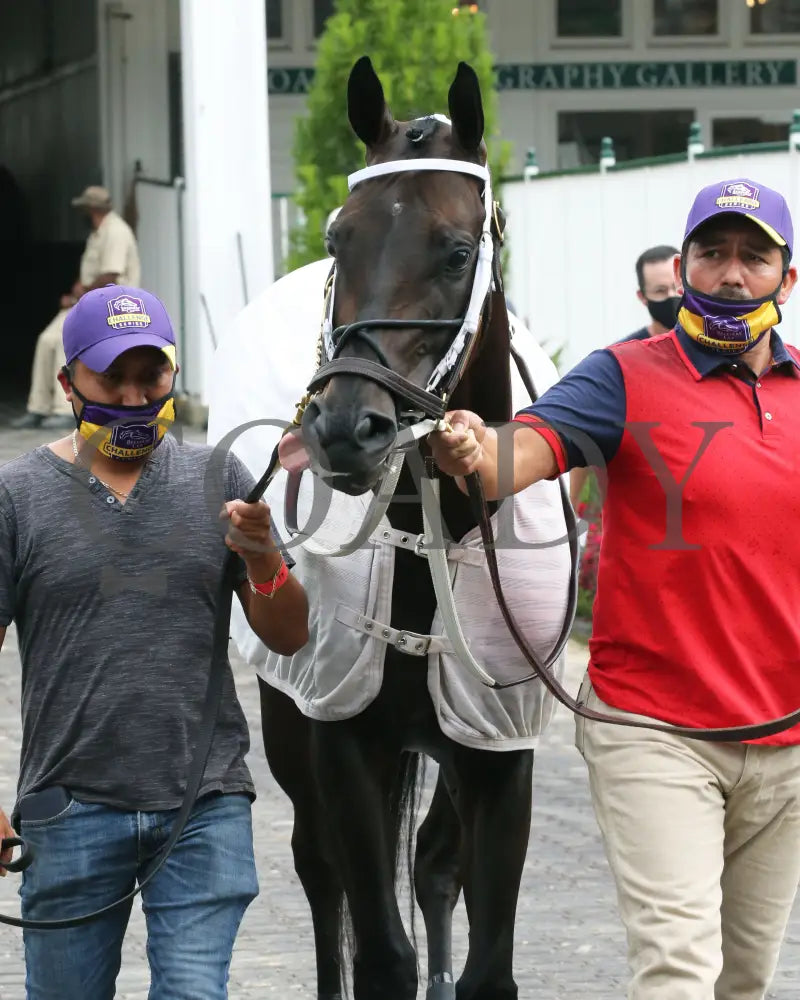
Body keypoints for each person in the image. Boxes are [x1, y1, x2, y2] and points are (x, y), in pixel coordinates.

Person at [430, 177, 800, 999]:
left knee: (746, 978)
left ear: (787, 276)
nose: (732, 274)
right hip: (653, 729)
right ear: (683, 265)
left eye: (753, 256)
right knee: (679, 970)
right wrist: (471, 448)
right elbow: (513, 455)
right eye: (713, 254)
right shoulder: (624, 376)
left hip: (787, 736)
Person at [0, 285, 309, 999]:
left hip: (203, 804)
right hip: (68, 808)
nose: (136, 397)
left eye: (153, 376)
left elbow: (290, 635)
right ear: (66, 381)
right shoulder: (18, 498)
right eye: (113, 378)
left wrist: (263, 557)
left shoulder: (220, 479)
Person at [11, 185, 141, 430]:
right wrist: (77, 292)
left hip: (109, 305)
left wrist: (76, 297)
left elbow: (110, 276)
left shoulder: (116, 232)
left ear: (91, 209)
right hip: (89, 302)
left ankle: (63, 408)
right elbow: (92, 274)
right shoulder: (98, 232)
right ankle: (38, 407)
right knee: (46, 339)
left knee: (64, 339)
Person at [569, 242, 679, 507]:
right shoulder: (621, 362)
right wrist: (572, 509)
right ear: (643, 297)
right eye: (661, 291)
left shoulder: (716, 353)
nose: (673, 297)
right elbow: (583, 429)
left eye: (677, 287)